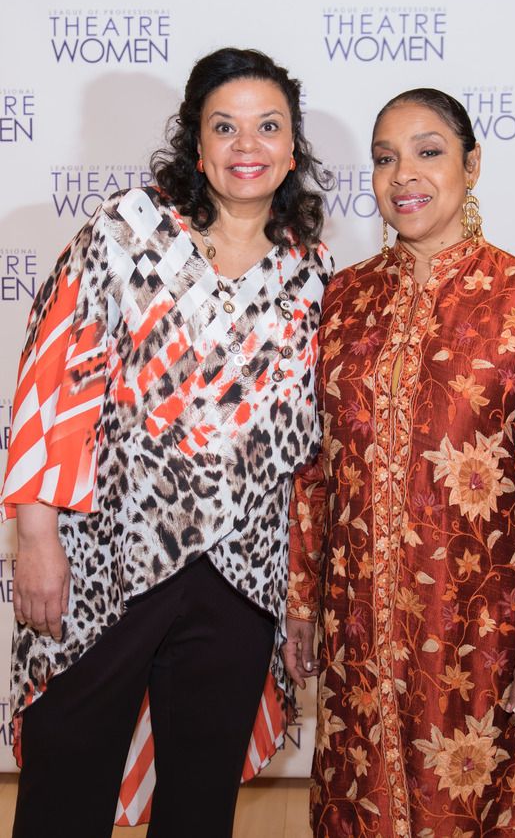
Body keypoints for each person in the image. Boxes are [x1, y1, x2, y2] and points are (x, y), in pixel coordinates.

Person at [0, 47, 334, 838]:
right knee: (65, 777)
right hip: (107, 558)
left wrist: (298, 594)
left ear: (292, 149)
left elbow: (312, 448)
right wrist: (35, 535)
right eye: (225, 126)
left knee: (199, 801)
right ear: (195, 142)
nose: (246, 146)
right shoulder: (125, 234)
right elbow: (53, 379)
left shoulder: (312, 270)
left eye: (267, 128)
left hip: (242, 575)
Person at [284, 88, 515, 837]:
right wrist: (302, 599)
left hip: (478, 632)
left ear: (473, 165)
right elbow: (314, 467)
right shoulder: (343, 301)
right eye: (385, 158)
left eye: (428, 152)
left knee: (473, 807)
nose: (404, 176)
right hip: (357, 623)